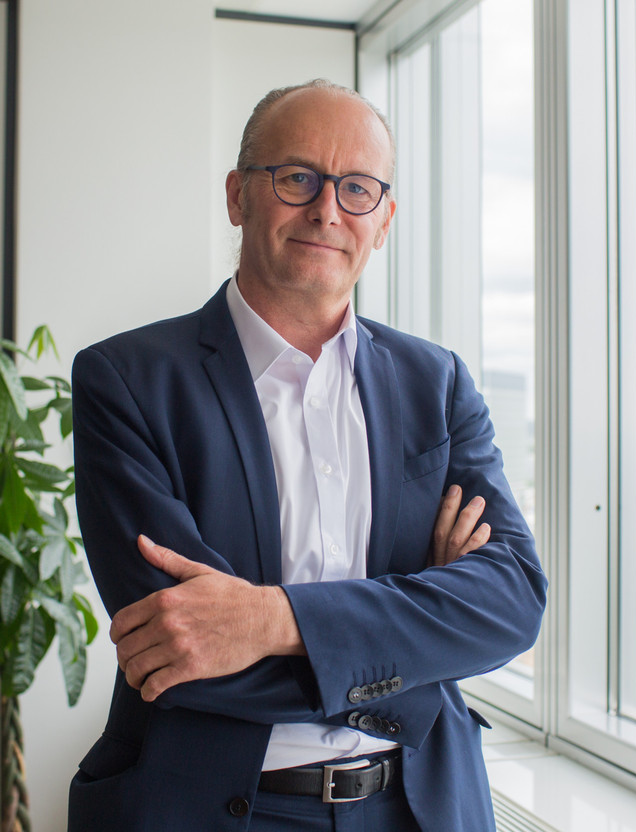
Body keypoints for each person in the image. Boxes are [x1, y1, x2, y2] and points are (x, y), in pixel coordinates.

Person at [67, 79, 546, 832]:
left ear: (384, 221)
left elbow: (513, 600)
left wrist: (266, 620)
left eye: (357, 188)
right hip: (210, 810)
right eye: (297, 178)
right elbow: (177, 647)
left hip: (419, 806)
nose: (327, 210)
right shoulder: (127, 381)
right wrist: (423, 636)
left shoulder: (437, 382)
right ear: (238, 196)